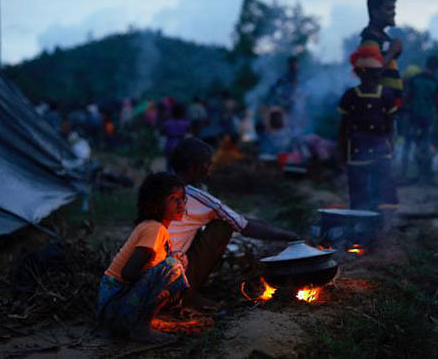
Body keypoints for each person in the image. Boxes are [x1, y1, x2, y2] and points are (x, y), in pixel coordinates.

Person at [168, 137, 298, 308]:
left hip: (153, 271)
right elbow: (243, 225)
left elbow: (241, 219)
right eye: (207, 164)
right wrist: (292, 236)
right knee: (223, 226)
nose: (209, 169)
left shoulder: (162, 187)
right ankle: (188, 295)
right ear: (194, 167)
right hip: (169, 278)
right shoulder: (194, 195)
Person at [97, 172, 189, 343]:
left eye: (182, 198)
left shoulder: (156, 229)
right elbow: (128, 273)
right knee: (172, 265)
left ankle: (139, 323)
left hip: (113, 311)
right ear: (153, 205)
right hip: (114, 309)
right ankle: (140, 328)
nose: (180, 204)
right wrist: (158, 280)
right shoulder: (154, 229)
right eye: (173, 198)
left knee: (176, 259)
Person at [338, 45, 398, 211]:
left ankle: (385, 221)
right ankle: (358, 220)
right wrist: (341, 151)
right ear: (360, 73)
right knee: (358, 188)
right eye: (369, 72)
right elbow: (343, 126)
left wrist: (390, 144)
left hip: (381, 150)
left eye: (376, 72)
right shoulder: (350, 96)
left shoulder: (386, 95)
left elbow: (390, 124)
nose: (373, 76)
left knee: (384, 186)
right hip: (357, 150)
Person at [402, 56, 438, 180]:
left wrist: (405, 113)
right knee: (424, 144)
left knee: (408, 143)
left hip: (413, 115)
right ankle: (422, 173)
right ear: (436, 68)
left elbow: (407, 98)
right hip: (427, 118)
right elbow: (437, 103)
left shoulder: (415, 79)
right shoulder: (436, 83)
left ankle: (405, 172)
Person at [360, 0, 403, 103]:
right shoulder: (370, 38)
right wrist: (392, 51)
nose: (394, 13)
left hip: (388, 104)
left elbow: (383, 64)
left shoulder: (382, 37)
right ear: (375, 12)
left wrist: (395, 54)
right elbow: (372, 74)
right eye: (389, 9)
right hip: (379, 106)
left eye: (394, 9)